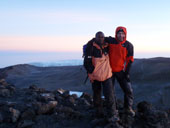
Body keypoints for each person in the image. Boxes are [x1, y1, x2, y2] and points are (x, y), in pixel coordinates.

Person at [86, 26, 135, 116]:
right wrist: (89, 45)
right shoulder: (111, 41)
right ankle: (113, 110)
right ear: (116, 34)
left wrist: (127, 73)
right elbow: (98, 39)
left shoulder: (129, 46)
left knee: (128, 91)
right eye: (119, 33)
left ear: (125, 34)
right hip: (109, 71)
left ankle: (128, 108)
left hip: (120, 71)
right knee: (110, 93)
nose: (121, 35)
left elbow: (130, 60)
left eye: (122, 34)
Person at [83, 31, 119, 121]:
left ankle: (112, 114)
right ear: (95, 38)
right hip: (95, 77)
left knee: (109, 95)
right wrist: (93, 72)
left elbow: (115, 41)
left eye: (102, 37)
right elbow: (86, 63)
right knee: (97, 95)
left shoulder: (107, 45)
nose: (100, 38)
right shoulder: (91, 48)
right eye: (98, 37)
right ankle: (99, 114)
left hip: (107, 75)